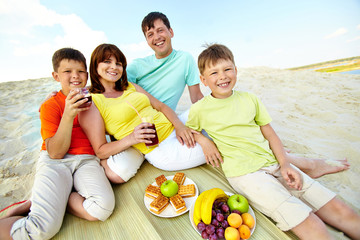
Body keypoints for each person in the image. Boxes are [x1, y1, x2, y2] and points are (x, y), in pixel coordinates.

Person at [126, 11, 349, 179]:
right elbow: (120, 96)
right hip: (153, 126)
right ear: (146, 40)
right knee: (227, 137)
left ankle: (288, 157)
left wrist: (217, 118)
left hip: (174, 118)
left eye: (160, 30)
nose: (156, 36)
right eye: (150, 33)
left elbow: (196, 98)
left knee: (228, 128)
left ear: (171, 32)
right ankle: (293, 160)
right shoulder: (135, 67)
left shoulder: (185, 60)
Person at [186, 44, 360, 240]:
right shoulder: (199, 109)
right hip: (245, 174)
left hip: (273, 162)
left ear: (236, 70)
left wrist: (285, 163)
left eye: (227, 69)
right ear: (203, 80)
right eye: (214, 72)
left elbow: (271, 135)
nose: (223, 76)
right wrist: (204, 140)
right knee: (313, 226)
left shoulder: (250, 99)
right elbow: (189, 130)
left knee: (343, 211)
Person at [0, 48, 115, 240]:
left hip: (86, 160)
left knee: (102, 208)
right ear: (56, 76)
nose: (75, 76)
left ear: (87, 75)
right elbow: (54, 153)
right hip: (56, 161)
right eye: (67, 71)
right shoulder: (51, 105)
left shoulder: (95, 99)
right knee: (41, 230)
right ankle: (24, 209)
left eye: (80, 71)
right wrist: (69, 114)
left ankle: (56, 198)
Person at [78, 43, 209, 184]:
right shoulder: (91, 101)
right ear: (95, 66)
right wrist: (132, 138)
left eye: (119, 63)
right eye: (107, 61)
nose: (114, 67)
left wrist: (179, 126)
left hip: (174, 126)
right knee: (218, 146)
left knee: (209, 106)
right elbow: (100, 150)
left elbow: (160, 106)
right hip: (160, 148)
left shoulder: (129, 86)